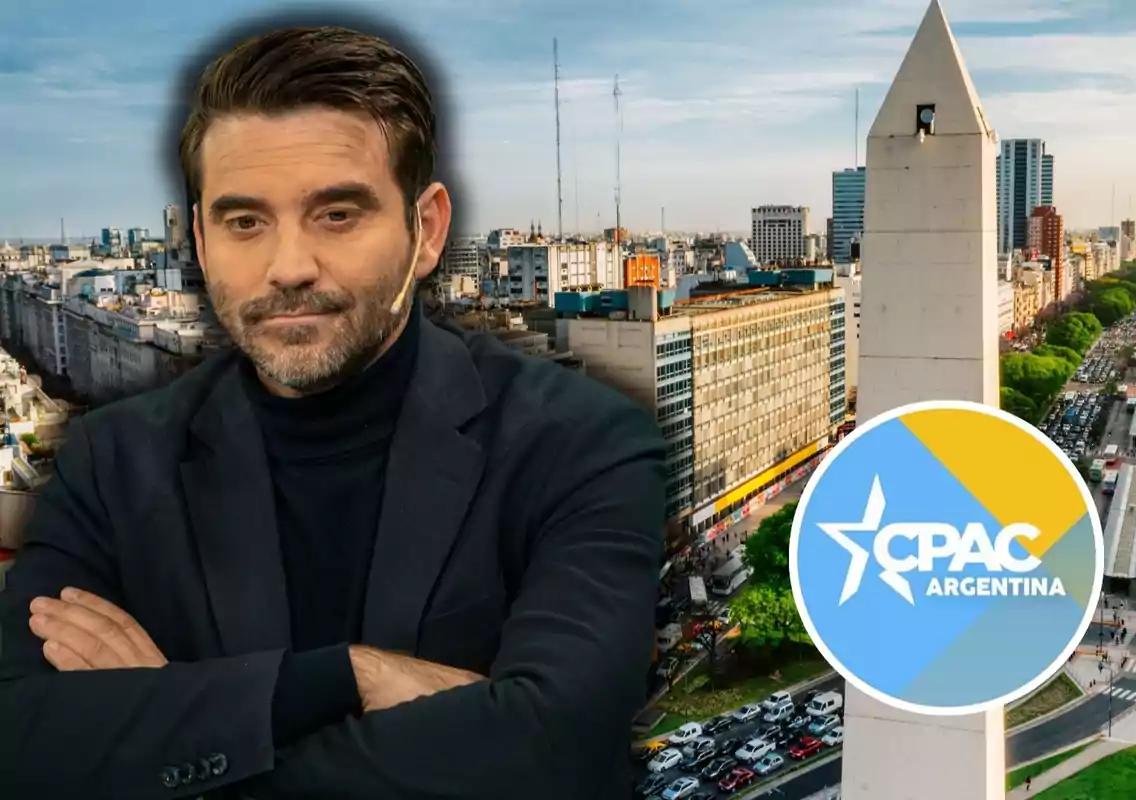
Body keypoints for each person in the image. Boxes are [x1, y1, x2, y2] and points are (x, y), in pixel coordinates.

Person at [0, 21, 666, 800]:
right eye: (245, 221)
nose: (288, 266)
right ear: (202, 244)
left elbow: (557, 759)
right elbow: (21, 744)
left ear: (427, 232)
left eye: (338, 214)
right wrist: (348, 676)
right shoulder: (115, 460)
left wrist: (178, 733)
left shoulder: (582, 442)